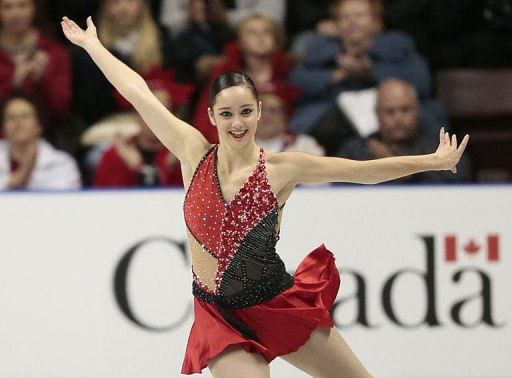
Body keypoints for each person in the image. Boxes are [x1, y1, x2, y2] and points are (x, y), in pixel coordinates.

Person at [61, 16, 469, 377]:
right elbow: (138, 92)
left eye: (244, 112)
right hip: (219, 313)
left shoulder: (282, 169)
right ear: (211, 117)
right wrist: (94, 45)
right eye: (226, 114)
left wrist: (431, 161)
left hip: (276, 301)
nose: (236, 123)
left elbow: (362, 171)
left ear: (258, 111)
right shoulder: (192, 151)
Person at [287, 0, 446, 151]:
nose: (352, 22)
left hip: (395, 129)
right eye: (345, 17)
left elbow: (422, 83)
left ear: (376, 22)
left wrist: (372, 72)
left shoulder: (398, 46)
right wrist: (337, 75)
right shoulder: (319, 50)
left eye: (359, 15)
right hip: (334, 129)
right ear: (335, 24)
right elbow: (295, 84)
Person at [337, 78, 471, 183]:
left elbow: (460, 185)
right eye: (390, 111)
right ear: (377, 113)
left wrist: (398, 169)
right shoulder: (356, 151)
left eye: (405, 109)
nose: (398, 118)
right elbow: (338, 192)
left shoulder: (440, 148)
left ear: (417, 110)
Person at [0, 0, 72, 125]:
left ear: (34, 8)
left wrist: (41, 80)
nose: (15, 14)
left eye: (22, 6)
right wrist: (14, 82)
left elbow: (61, 111)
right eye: (7, 7)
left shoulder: (55, 53)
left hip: (44, 135)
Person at [0, 94, 81, 190]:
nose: (18, 122)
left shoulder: (62, 163)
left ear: (39, 124)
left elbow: (67, 200)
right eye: (11, 117)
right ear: (3, 127)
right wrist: (13, 181)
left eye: (25, 116)